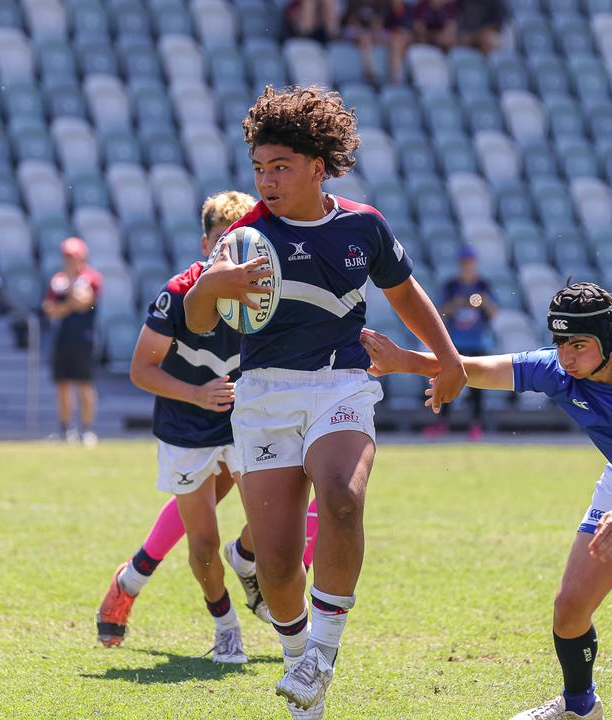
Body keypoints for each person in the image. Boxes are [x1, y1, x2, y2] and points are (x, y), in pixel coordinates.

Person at [182, 86, 467, 719]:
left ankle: (323, 654)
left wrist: (447, 357)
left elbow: (405, 291)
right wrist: (216, 284)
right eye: (258, 168)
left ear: (318, 164)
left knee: (343, 496)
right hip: (263, 396)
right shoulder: (245, 237)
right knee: (279, 568)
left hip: (342, 382)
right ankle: (297, 656)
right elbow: (201, 320)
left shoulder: (362, 225)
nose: (266, 180)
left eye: (279, 166)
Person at [360, 281, 612, 720]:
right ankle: (580, 709)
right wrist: (405, 361)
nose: (567, 356)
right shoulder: (555, 370)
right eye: (560, 343)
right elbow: (474, 369)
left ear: (608, 340)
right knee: (570, 608)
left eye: (579, 344)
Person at [95, 191, 324, 657]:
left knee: (276, 518)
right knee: (202, 541)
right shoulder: (178, 294)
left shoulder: (269, 294)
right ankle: (224, 624)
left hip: (244, 423)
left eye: (243, 244)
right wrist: (198, 394)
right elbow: (141, 370)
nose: (233, 258)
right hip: (187, 427)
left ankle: (243, 559)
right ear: (205, 246)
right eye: (223, 245)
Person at [429, 246, 497, 440]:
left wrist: (484, 302)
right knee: (448, 381)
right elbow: (440, 312)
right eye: (464, 263)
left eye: (470, 263)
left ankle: (476, 425)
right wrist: (456, 304)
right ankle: (443, 422)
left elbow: (493, 313)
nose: (467, 267)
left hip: (477, 342)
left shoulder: (483, 285)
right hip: (455, 342)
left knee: (477, 387)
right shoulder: (451, 286)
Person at [42, 237, 103, 447]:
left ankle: (87, 429)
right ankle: (65, 428)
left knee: (85, 384)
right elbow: (50, 309)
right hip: (63, 338)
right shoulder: (57, 279)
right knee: (63, 385)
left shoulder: (90, 278)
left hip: (83, 338)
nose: (69, 261)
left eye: (73, 257)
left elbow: (84, 301)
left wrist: (64, 304)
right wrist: (69, 303)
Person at [343, 0, 411, 85]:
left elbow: (378, 22)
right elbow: (351, 22)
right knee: (365, 38)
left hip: (372, 32)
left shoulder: (380, 3)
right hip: (355, 30)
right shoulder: (354, 2)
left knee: (395, 41)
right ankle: (370, 74)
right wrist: (365, 32)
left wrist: (375, 31)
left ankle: (396, 79)